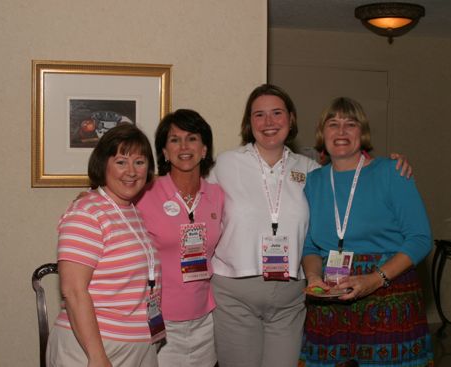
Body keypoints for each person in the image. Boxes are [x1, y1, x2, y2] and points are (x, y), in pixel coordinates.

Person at [209, 84, 412, 367]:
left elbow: (348, 182)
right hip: (235, 296)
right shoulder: (225, 164)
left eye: (277, 113)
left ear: (291, 119)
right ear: (248, 122)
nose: (269, 122)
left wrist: (391, 164)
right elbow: (191, 199)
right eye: (259, 115)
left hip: (291, 297)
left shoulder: (311, 170)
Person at [299, 97, 433, 366]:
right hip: (329, 298)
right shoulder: (313, 181)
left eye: (351, 124)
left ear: (363, 132)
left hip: (387, 295)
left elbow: (420, 238)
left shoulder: (391, 172)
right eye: (333, 124)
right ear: (321, 133)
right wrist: (313, 278)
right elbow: (311, 245)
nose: (341, 131)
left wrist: (374, 279)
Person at [47, 124, 163, 367]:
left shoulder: (131, 212)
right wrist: (97, 356)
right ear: (103, 165)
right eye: (121, 162)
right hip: (94, 347)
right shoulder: (87, 212)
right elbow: (74, 291)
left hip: (137, 344)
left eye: (139, 162)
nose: (131, 171)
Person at [136, 109, 224, 366]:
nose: (184, 146)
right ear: (164, 151)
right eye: (174, 140)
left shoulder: (218, 195)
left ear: (205, 149)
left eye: (192, 138)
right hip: (159, 321)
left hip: (205, 320)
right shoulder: (145, 192)